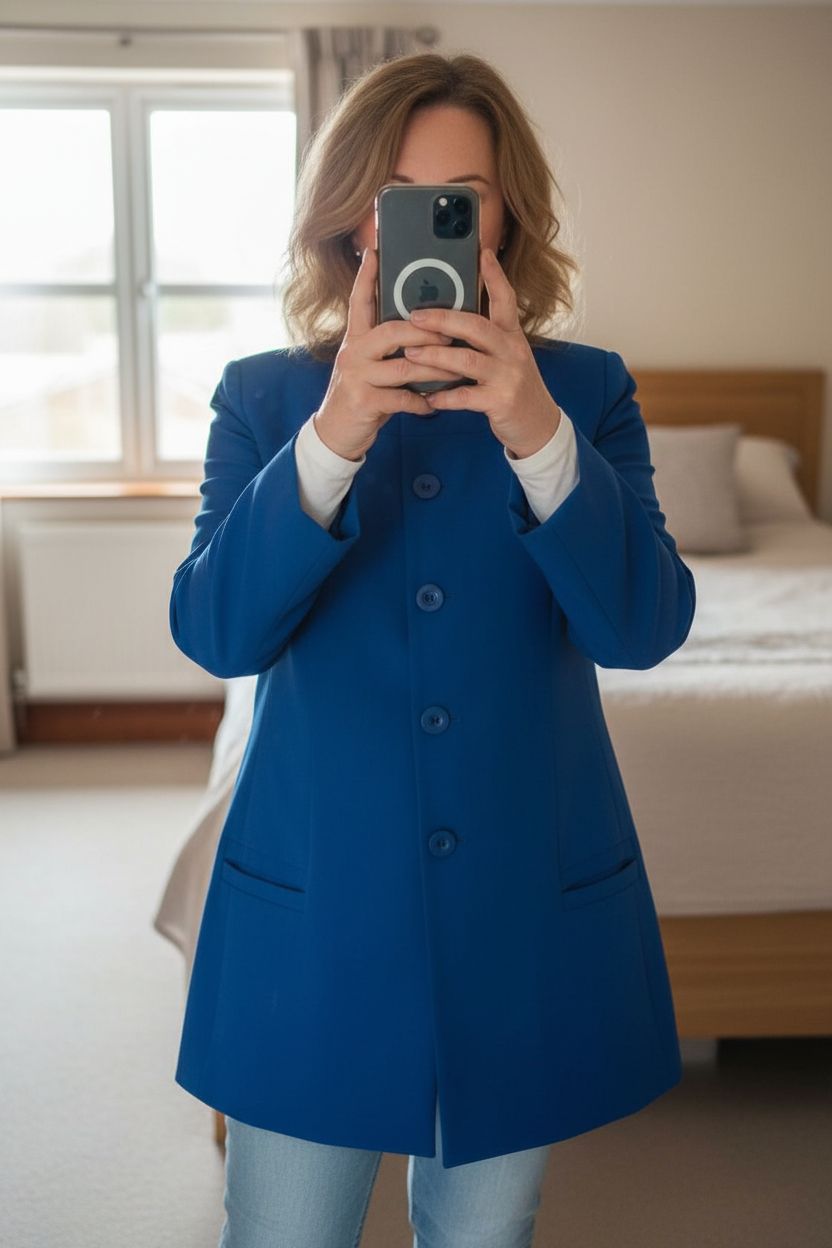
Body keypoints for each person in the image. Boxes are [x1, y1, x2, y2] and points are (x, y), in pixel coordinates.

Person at [169, 51, 696, 1248]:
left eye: (459, 193)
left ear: (505, 215)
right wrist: (334, 432)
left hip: (519, 917)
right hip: (314, 919)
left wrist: (535, 431)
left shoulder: (585, 392)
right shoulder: (264, 400)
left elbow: (643, 626)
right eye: (395, 191)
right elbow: (215, 632)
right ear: (348, 215)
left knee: (482, 1238)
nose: (422, 222)